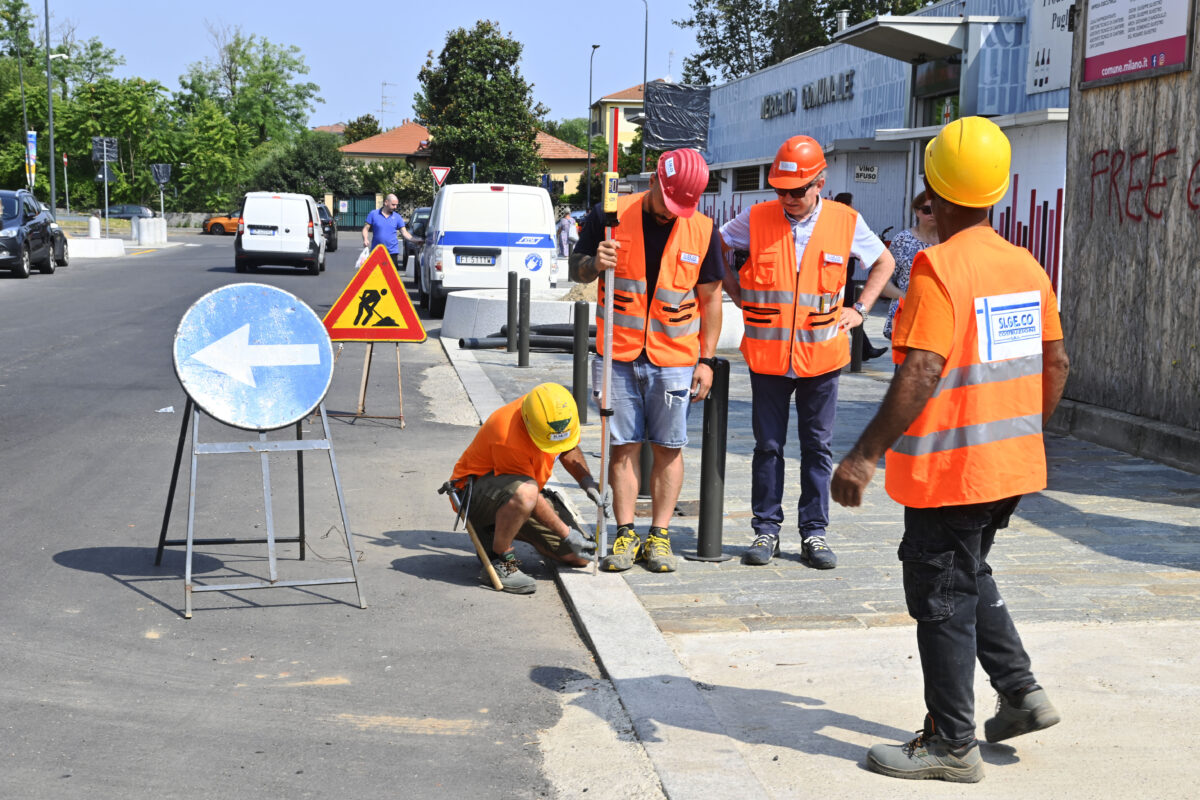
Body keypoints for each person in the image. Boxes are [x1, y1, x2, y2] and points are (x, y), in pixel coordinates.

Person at [830, 116, 1070, 782]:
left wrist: (862, 455)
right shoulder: (1026, 266)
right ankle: (1020, 692)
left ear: (934, 189)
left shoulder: (940, 267)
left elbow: (921, 371)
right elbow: (1056, 365)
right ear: (993, 192)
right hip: (1009, 468)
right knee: (969, 573)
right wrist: (1023, 431)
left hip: (951, 472)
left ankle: (952, 745)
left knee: (939, 591)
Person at [720, 135, 895, 569]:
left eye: (797, 190)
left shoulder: (845, 220)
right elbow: (714, 246)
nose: (788, 198)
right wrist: (734, 289)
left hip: (822, 358)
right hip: (767, 358)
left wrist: (860, 309)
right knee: (769, 446)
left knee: (817, 447)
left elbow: (884, 262)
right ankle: (766, 530)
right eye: (781, 190)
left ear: (820, 181)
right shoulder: (757, 218)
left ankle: (814, 533)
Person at [569, 148, 724, 573]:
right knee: (622, 447)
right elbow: (576, 269)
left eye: (682, 208)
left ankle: (658, 536)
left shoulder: (704, 230)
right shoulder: (610, 214)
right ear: (655, 180)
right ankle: (625, 533)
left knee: (669, 449)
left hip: (674, 359)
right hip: (617, 353)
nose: (673, 213)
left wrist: (706, 360)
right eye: (669, 202)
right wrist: (593, 263)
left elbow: (710, 301)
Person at [449, 383, 605, 594]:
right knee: (527, 494)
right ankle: (501, 557)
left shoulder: (553, 416)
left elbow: (567, 447)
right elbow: (526, 493)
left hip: (521, 494)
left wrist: (587, 483)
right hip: (475, 495)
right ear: (530, 424)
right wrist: (567, 533)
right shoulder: (506, 434)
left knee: (577, 557)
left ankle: (499, 529)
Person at [833, 191, 888, 362]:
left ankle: (865, 350)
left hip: (845, 278)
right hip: (842, 280)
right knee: (851, 313)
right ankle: (864, 350)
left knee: (849, 314)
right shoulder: (843, 222)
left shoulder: (839, 221)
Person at [880, 190, 939, 342]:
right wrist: (906, 297)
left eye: (937, 209)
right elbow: (884, 280)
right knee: (905, 364)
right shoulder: (903, 240)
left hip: (938, 315)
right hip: (906, 315)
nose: (932, 214)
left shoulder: (949, 240)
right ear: (917, 211)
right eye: (927, 210)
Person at [361, 194, 420, 271]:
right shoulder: (373, 214)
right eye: (393, 205)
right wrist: (365, 239)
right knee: (375, 277)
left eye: (396, 205)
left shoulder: (397, 217)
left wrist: (415, 240)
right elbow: (365, 229)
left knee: (391, 279)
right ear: (386, 202)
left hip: (392, 252)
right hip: (376, 252)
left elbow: (404, 233)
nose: (395, 207)